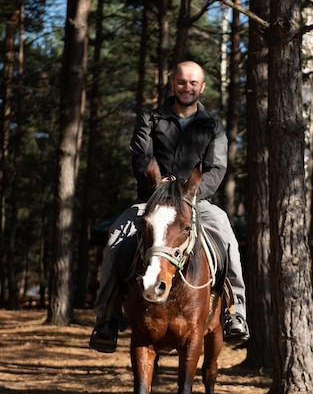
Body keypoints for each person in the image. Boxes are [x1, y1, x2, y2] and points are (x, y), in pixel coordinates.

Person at [89, 60, 249, 352]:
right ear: (172, 83)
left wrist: (188, 193)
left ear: (202, 87)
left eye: (193, 83)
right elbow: (141, 156)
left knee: (227, 237)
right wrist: (160, 186)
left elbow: (216, 168)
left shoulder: (213, 127)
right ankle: (107, 320)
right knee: (114, 239)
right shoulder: (150, 118)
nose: (187, 87)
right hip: (151, 201)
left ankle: (235, 313)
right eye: (181, 82)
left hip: (196, 203)